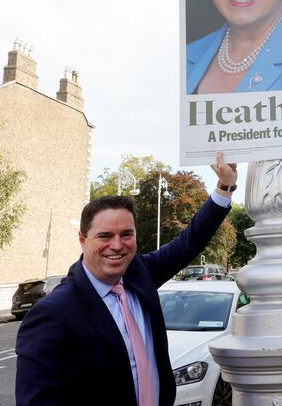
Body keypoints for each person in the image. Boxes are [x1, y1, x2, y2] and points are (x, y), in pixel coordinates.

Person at [15, 153, 238, 406]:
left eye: (126, 234)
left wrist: (224, 187)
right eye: (105, 236)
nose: (117, 245)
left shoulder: (139, 273)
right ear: (82, 239)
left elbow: (190, 242)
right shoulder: (54, 313)